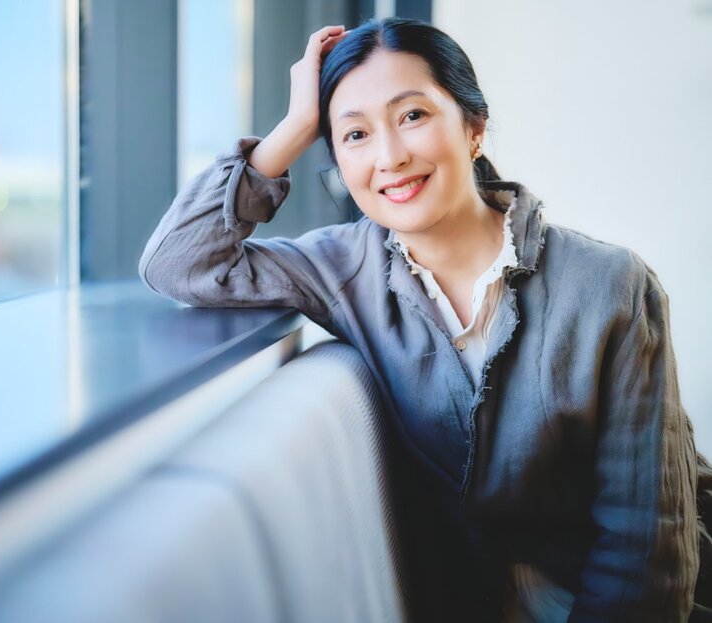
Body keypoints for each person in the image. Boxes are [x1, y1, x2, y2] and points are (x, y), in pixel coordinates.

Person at [139, 17, 703, 622]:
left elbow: (649, 541)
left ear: (473, 127)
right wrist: (294, 127)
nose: (389, 156)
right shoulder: (342, 268)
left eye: (413, 116)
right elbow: (178, 261)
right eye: (353, 135)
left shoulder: (609, 285)